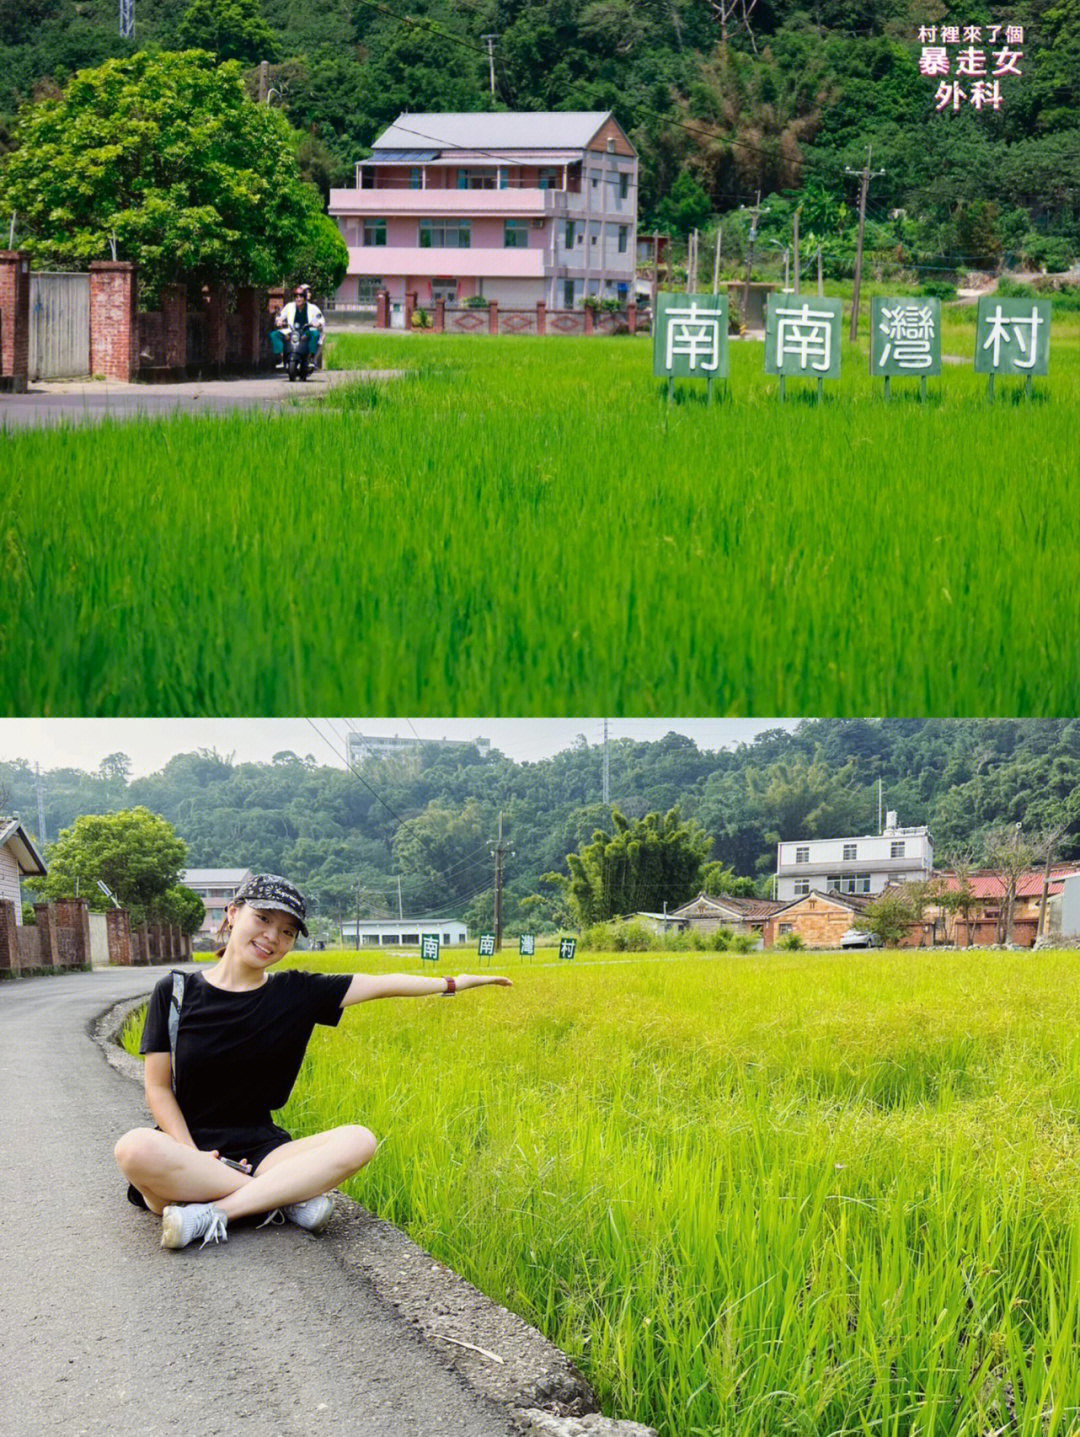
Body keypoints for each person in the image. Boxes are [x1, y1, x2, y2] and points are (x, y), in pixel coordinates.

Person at [114, 873, 512, 1251]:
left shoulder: (296, 992)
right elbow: (158, 1087)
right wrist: (190, 1153)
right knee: (134, 1149)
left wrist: (453, 983)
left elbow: (380, 984)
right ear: (233, 913)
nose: (272, 937)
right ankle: (281, 1197)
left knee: (359, 1140)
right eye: (263, 919)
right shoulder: (176, 991)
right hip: (190, 1151)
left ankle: (213, 1213)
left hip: (265, 1150)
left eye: (287, 931)